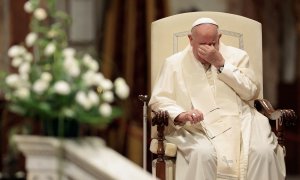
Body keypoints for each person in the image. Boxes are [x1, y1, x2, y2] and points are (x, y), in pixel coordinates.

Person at [149, 17, 285, 180]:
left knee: (262, 151)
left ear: (219, 38)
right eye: (203, 44)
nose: (209, 49)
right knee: (203, 153)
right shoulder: (173, 64)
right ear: (191, 40)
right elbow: (159, 100)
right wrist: (182, 114)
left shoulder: (238, 56)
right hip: (197, 128)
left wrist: (222, 64)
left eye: (213, 44)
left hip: (242, 122)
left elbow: (251, 92)